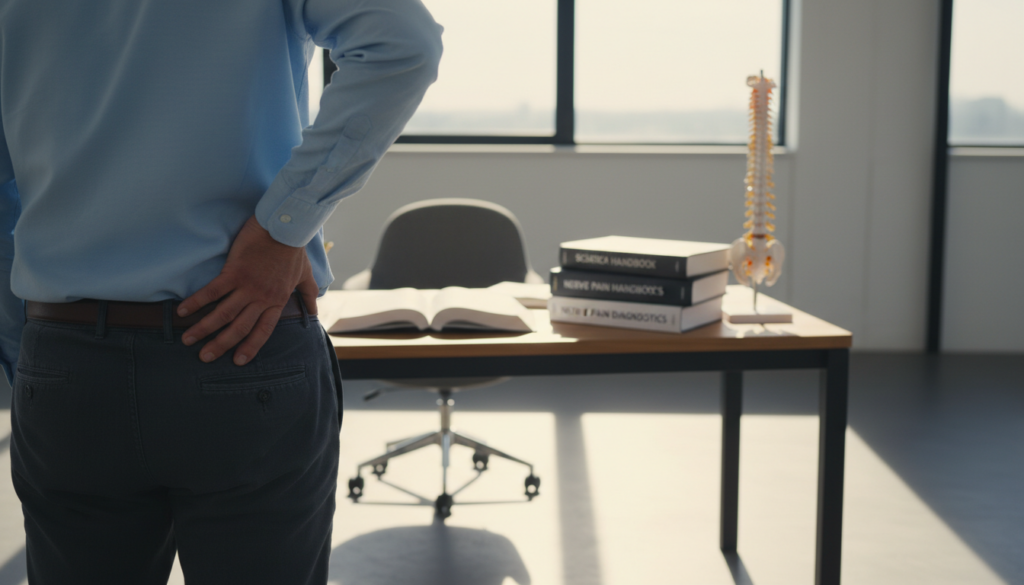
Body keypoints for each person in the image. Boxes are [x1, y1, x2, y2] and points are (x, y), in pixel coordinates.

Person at [0, 0, 442, 582]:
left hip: (66, 363)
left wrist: (29, 348)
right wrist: (283, 227)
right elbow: (403, 44)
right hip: (244, 348)